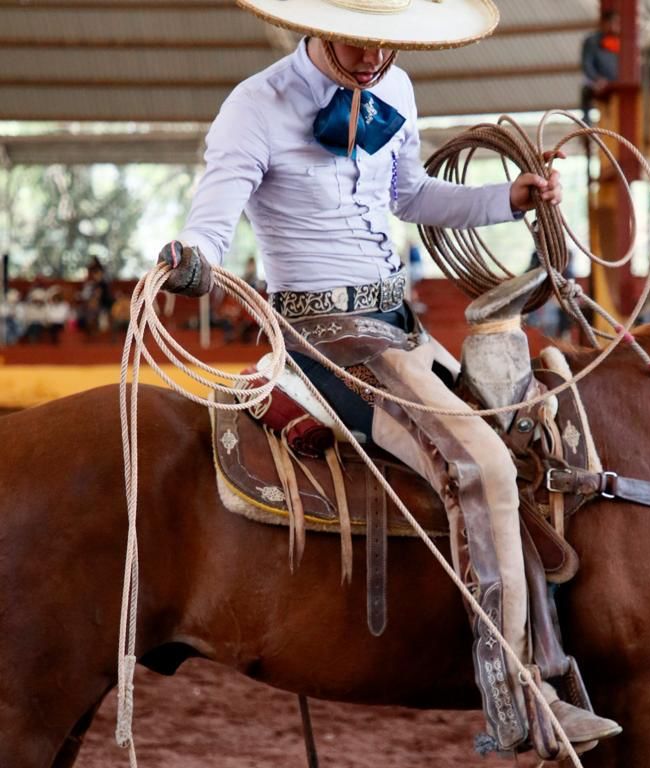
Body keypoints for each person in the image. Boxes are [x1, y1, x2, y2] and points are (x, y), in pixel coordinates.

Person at [158, 0, 621, 755]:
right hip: (323, 337)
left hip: (399, 327)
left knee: (525, 441)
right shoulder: (256, 104)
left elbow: (411, 196)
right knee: (481, 466)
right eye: (358, 41)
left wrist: (507, 199)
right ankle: (515, 694)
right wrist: (193, 257)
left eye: (389, 43)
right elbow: (214, 215)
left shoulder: (395, 89)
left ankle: (554, 652)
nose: (374, 56)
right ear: (316, 24)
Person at [580, 9, 620, 124]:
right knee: (586, 91)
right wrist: (597, 79)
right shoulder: (592, 41)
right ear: (604, 23)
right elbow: (587, 64)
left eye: (617, 23)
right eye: (612, 22)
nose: (615, 26)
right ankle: (586, 124)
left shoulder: (621, 41)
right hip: (598, 82)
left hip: (618, 83)